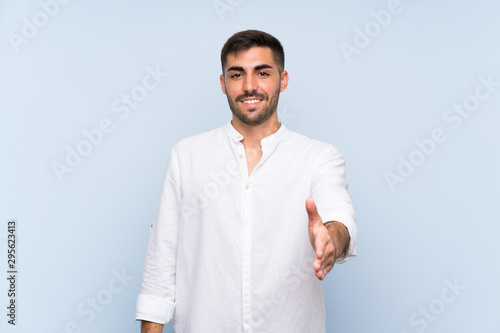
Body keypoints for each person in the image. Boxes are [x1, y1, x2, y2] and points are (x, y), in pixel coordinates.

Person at [135, 29, 357, 333]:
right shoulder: (186, 156)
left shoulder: (318, 157)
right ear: (223, 84)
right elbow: (161, 258)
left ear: (283, 79)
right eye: (237, 74)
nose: (250, 86)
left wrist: (330, 239)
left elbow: (338, 216)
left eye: (262, 72)